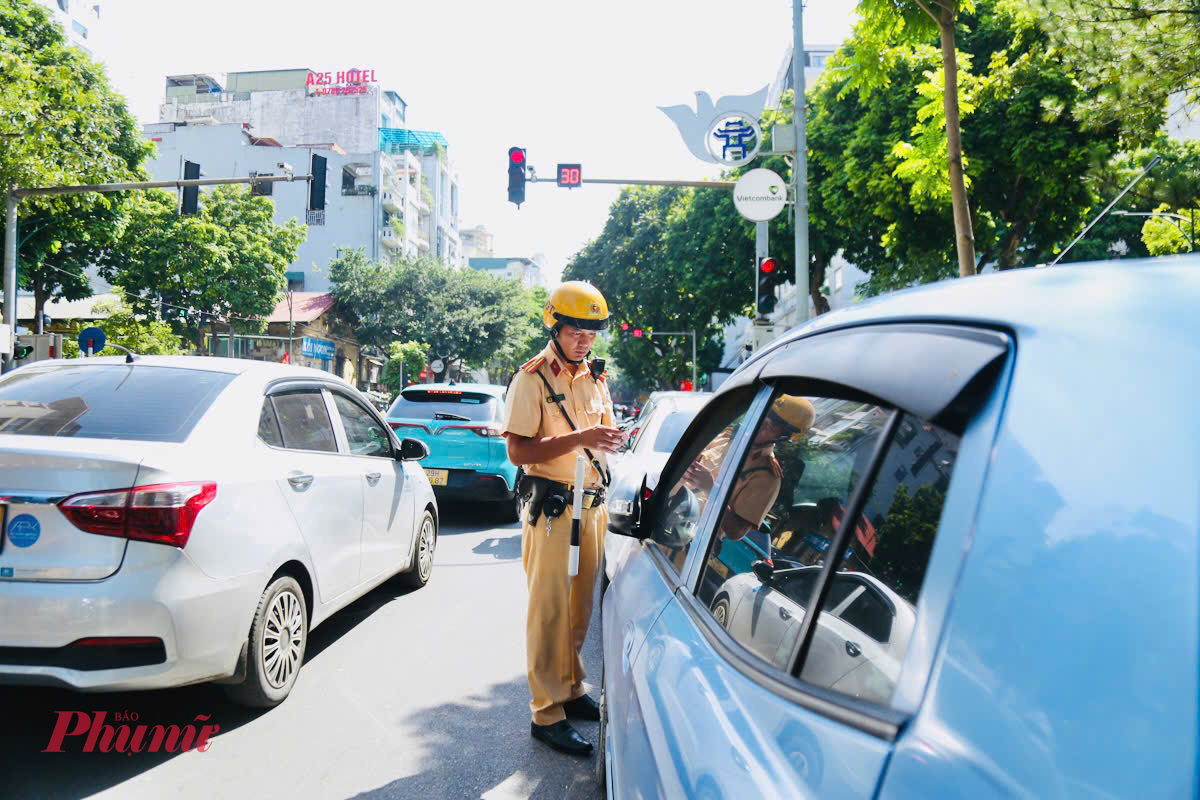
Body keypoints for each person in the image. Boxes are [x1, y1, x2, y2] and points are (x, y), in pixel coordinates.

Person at [502, 281, 626, 757]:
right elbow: (517, 450)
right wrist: (581, 439)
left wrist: (607, 440)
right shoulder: (532, 379)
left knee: (578, 612)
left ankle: (571, 689)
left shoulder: (596, 377)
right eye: (576, 330)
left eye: (592, 331)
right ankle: (545, 713)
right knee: (549, 612)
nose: (585, 340)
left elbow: (599, 434)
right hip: (552, 510)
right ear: (556, 326)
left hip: (590, 506)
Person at [680, 394, 816, 544]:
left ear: (784, 436)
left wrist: (711, 490)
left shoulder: (767, 478)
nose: (758, 425)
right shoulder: (724, 439)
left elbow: (736, 531)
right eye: (760, 417)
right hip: (664, 530)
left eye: (768, 425)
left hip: (689, 549)